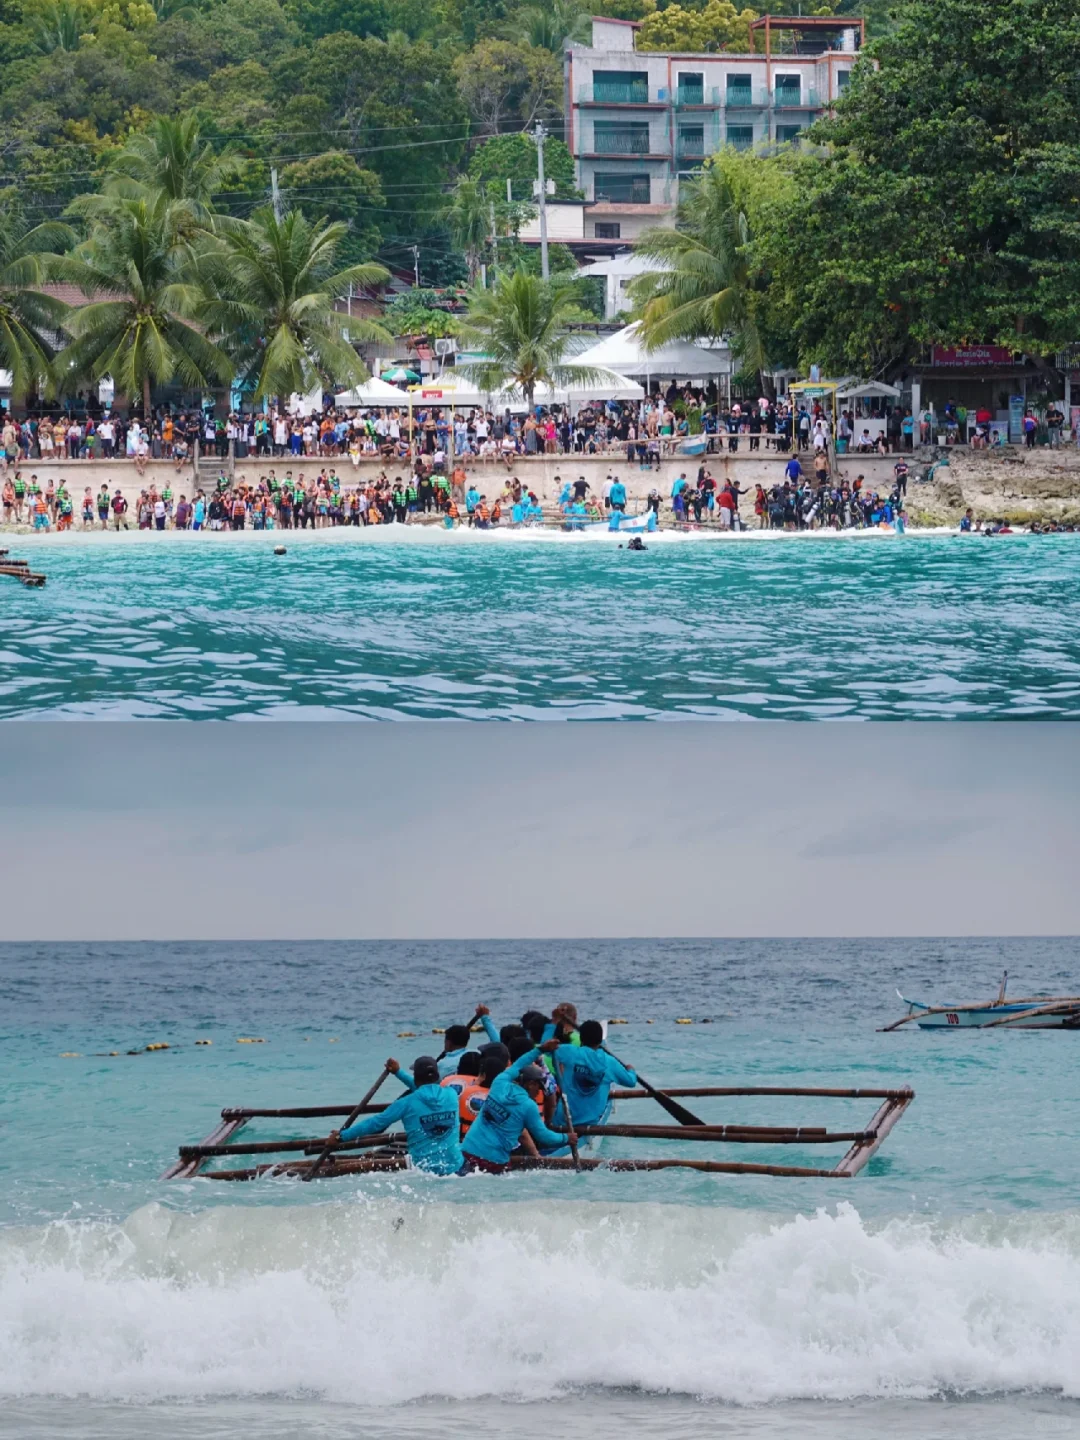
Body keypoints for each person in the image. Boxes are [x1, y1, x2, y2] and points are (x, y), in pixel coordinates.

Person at [328, 1056, 463, 1175]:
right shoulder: (452, 1095)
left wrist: (342, 1136)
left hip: (423, 1171)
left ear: (416, 1077)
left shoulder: (405, 1103)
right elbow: (425, 1089)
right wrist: (398, 1073)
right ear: (438, 1077)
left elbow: (376, 1123)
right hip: (456, 1166)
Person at [461, 1042, 575, 1174]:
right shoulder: (528, 1106)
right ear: (531, 1083)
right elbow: (544, 1137)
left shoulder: (500, 1082)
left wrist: (540, 1049)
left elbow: (519, 1064)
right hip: (493, 1162)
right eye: (539, 1087)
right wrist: (567, 1138)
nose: (539, 1092)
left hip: (467, 1151)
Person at [544, 1020, 637, 1130]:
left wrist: (553, 1024)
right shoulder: (609, 1062)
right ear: (600, 1040)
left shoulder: (569, 1052)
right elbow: (631, 1082)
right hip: (590, 1123)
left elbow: (546, 1048)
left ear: (581, 1038)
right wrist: (631, 1070)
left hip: (563, 1121)